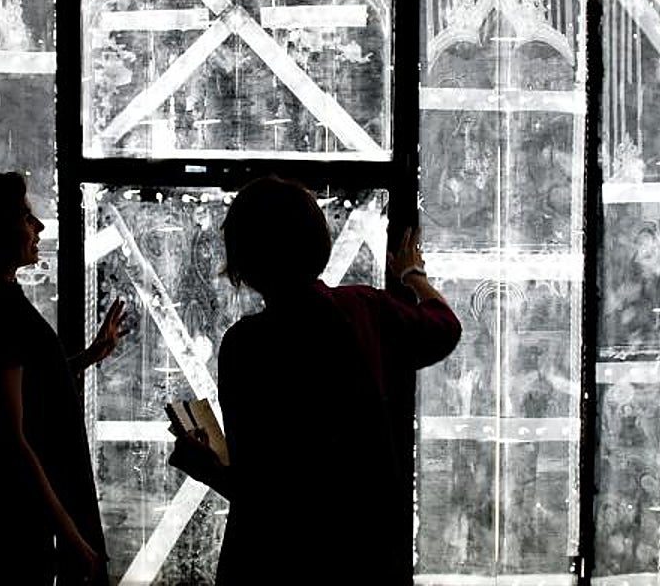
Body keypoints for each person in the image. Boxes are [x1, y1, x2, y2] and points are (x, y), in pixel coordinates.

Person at [168, 176, 461, 584]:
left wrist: (204, 465)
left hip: (274, 562)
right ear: (316, 242)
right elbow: (445, 326)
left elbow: (264, 494)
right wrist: (412, 274)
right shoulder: (365, 311)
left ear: (244, 262)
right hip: (365, 559)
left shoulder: (247, 345)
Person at [0, 170, 126, 585]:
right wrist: (70, 533)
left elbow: (24, 388)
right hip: (4, 521)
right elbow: (10, 436)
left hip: (5, 512)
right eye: (25, 216)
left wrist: (88, 356)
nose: (39, 226)